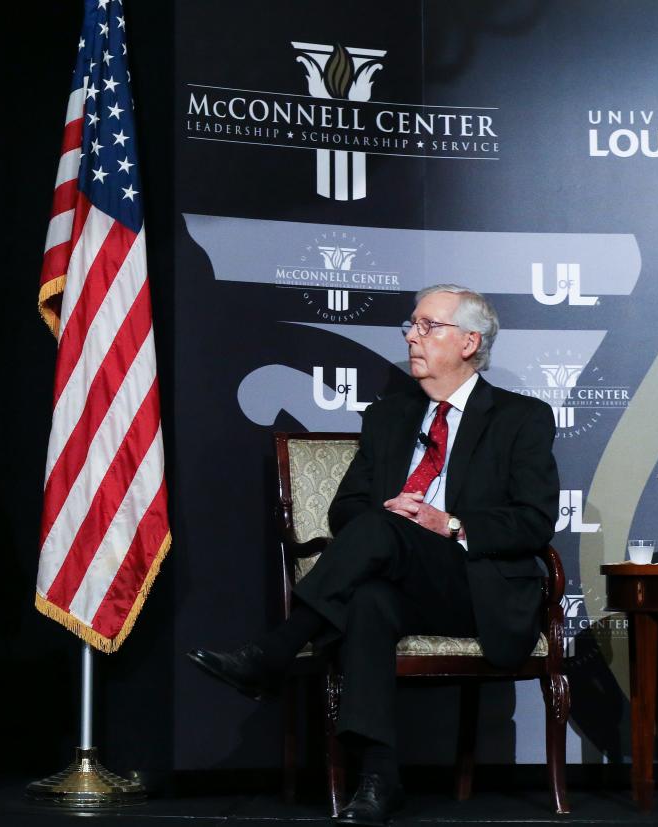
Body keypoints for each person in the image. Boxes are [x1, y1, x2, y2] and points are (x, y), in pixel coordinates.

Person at [189, 285, 559, 826]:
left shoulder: (521, 417)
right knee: (369, 601)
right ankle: (381, 780)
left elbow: (534, 521)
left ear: (468, 342)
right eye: (411, 325)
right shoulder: (388, 416)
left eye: (428, 326)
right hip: (400, 578)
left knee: (381, 540)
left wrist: (447, 522)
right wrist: (391, 511)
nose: (411, 335)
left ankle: (275, 651)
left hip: (475, 585)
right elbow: (347, 510)